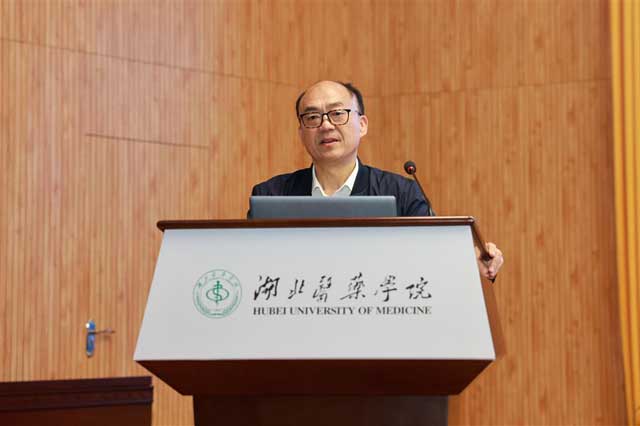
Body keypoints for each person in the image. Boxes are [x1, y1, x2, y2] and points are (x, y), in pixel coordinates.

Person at [250, 80, 503, 280]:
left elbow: (431, 261)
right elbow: (249, 266)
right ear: (301, 132)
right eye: (313, 117)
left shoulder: (402, 194)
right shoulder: (270, 195)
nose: (325, 125)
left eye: (337, 113)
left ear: (362, 125)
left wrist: (470, 265)